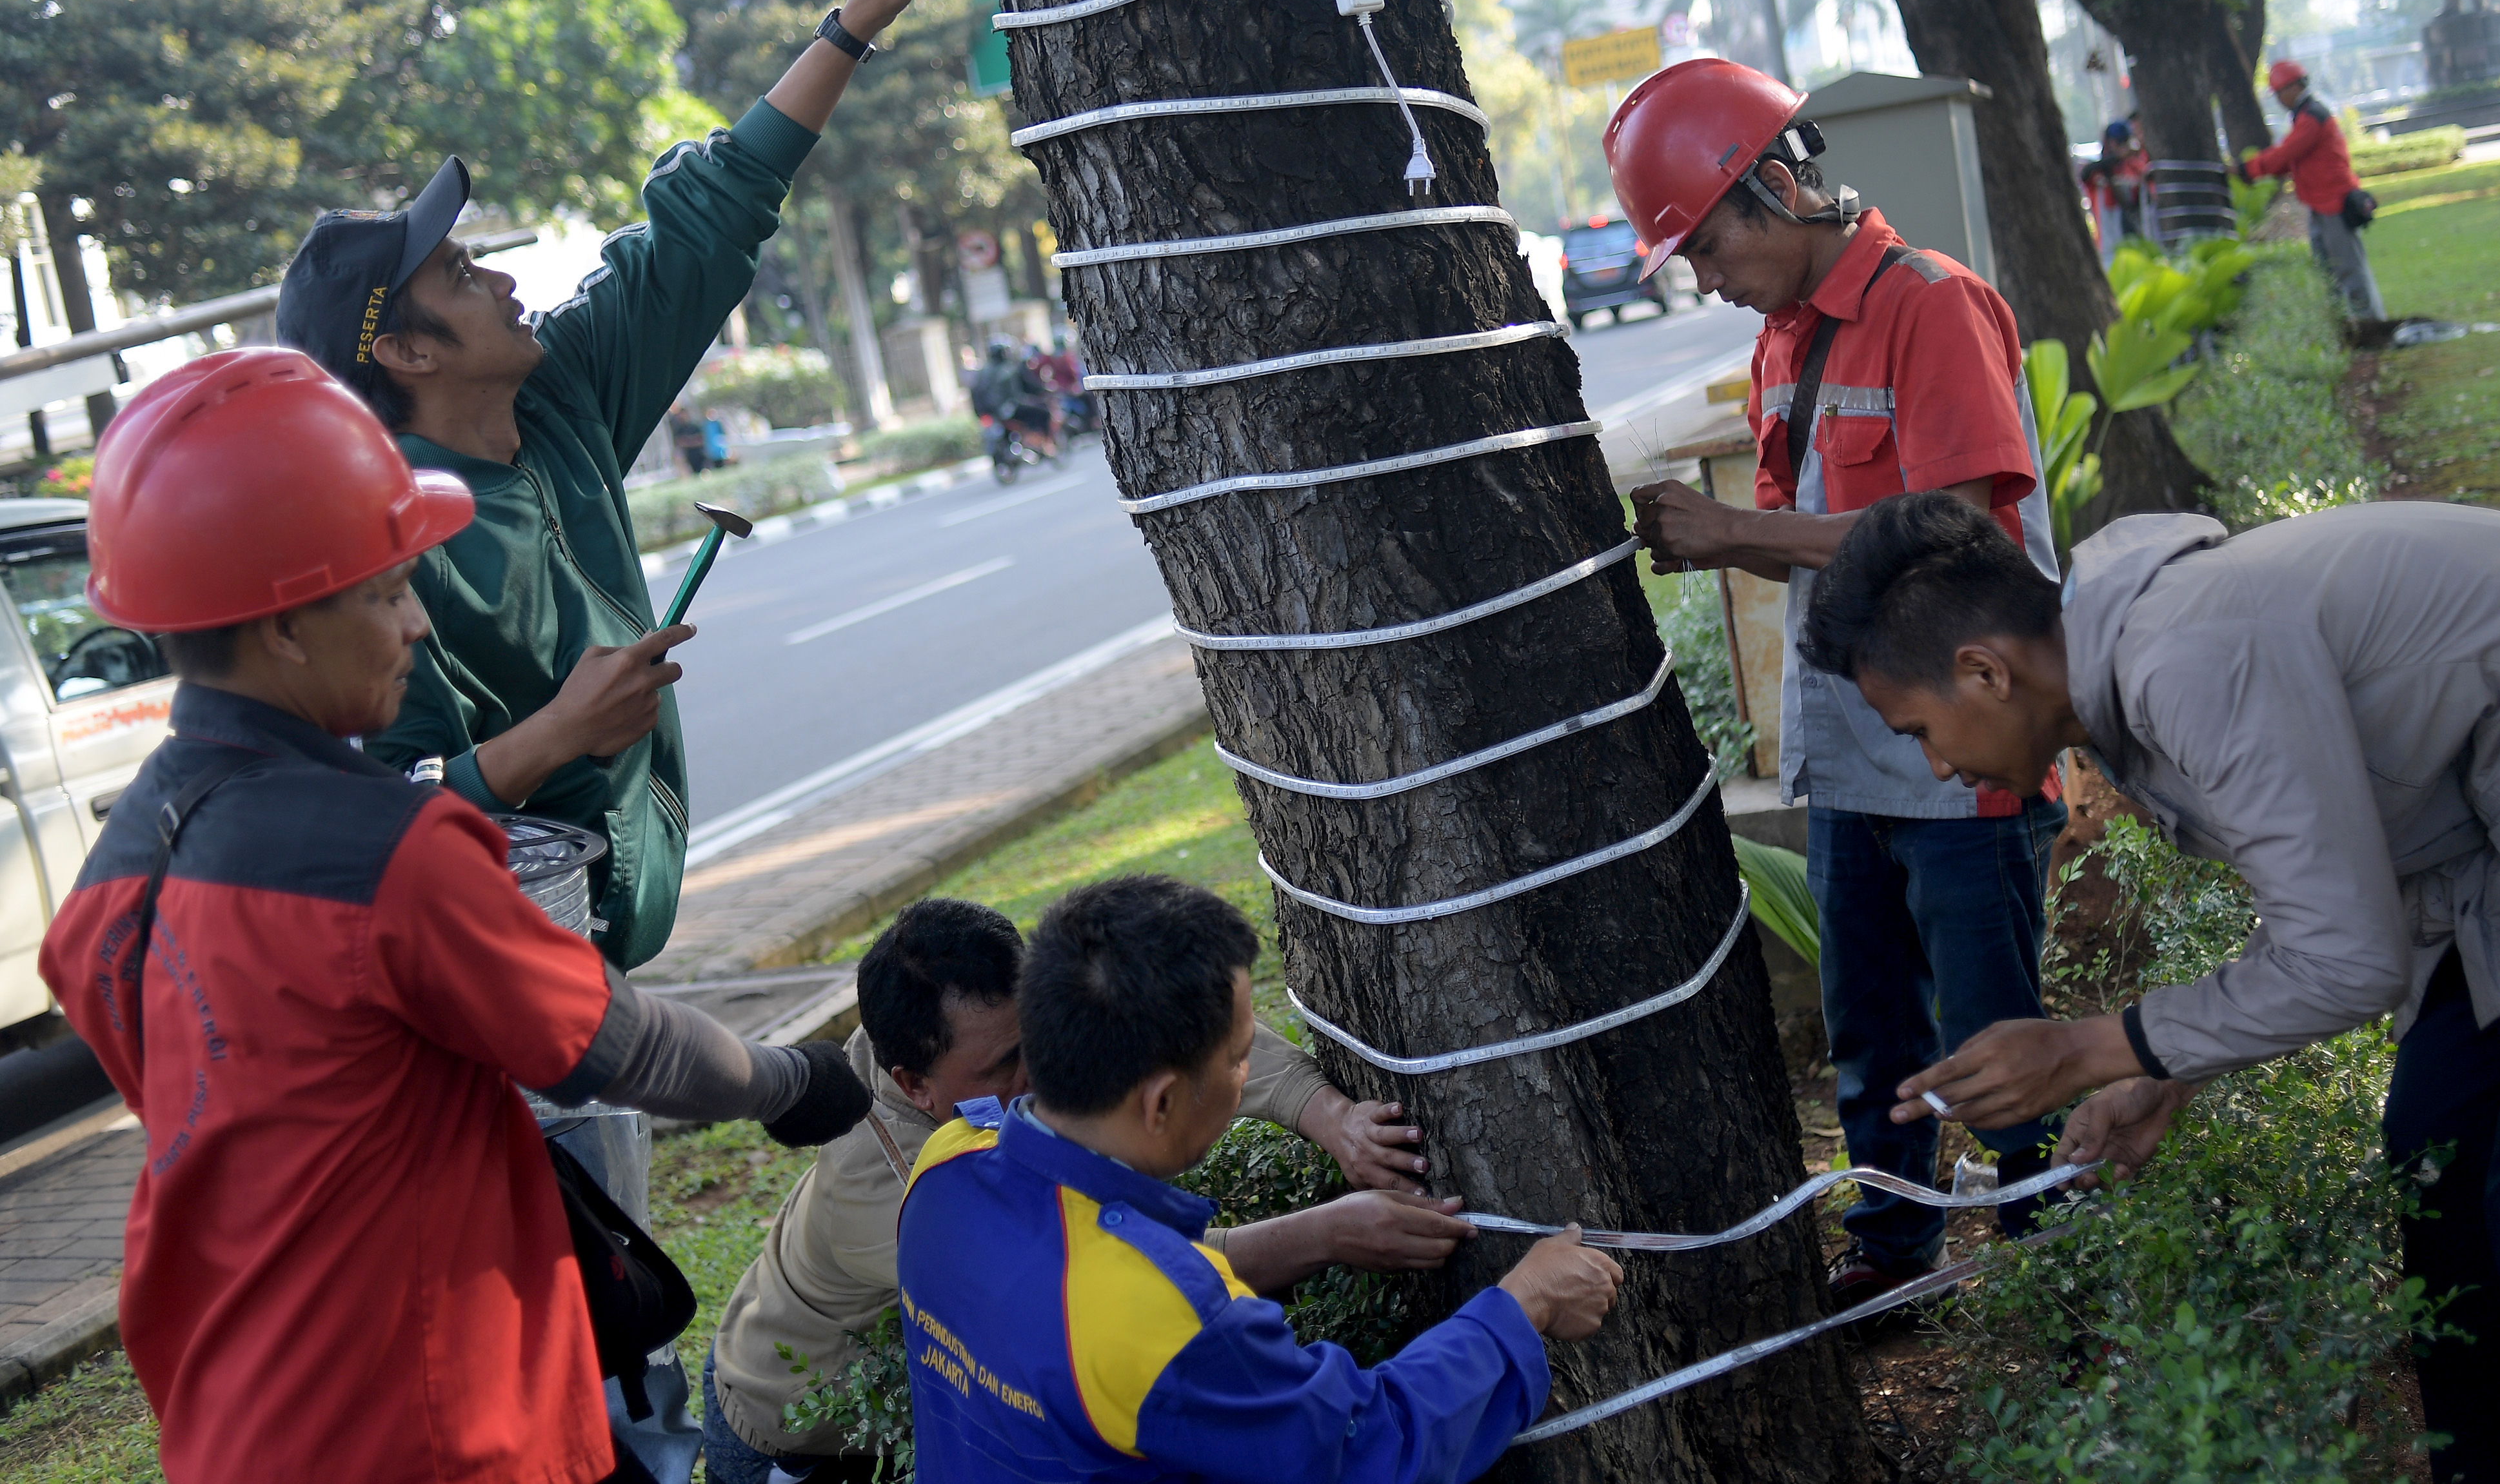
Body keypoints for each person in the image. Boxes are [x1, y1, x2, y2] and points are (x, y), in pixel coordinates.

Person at [39, 349, 872, 1484]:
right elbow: (614, 1045)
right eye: (387, 591)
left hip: (230, 1425)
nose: (416, 627)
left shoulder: (104, 892)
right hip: (435, 1424)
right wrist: (795, 1080)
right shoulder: (388, 854)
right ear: (285, 626)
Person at [1795, 489, 2500, 1484]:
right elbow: (2318, 877)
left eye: (1916, 729)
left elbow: (2349, 956)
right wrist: (2167, 1071)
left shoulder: (2186, 654)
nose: (1939, 765)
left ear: (1984, 670)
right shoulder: (2129, 660)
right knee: (2435, 1147)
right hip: (2498, 820)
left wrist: (2087, 1045)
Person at [277, 0, 946, 972]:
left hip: (608, 946)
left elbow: (708, 219)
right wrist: (558, 735)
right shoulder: (375, 551)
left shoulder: (557, 393)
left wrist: (854, 23)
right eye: (457, 272)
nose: (496, 275)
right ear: (402, 352)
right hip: (497, 977)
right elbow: (393, 812)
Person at [1606, 57, 2068, 1315]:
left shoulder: (1931, 304)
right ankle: (1894, 1246)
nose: (1705, 276)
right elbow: (1814, 530)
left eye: (1706, 245)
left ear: (1773, 187)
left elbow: (1955, 530)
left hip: (1967, 744)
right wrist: (1730, 532)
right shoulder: (1778, 345)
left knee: (1991, 1022)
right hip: (1854, 751)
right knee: (1870, 1025)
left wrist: (1733, 535)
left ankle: (2057, 1256)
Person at [700, 897, 1461, 1483]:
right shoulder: (889, 1189)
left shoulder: (962, 1037)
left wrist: (1335, 1120)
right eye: (1004, 1067)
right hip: (786, 1427)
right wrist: (1327, 1234)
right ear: (913, 1084)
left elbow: (1182, 1023)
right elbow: (1108, 1281)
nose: (1040, 1078)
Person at [895, 876, 1623, 1481]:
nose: (1246, 1076)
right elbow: (1363, 1450)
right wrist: (1521, 1308)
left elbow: (1076, 1287)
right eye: (1239, 1060)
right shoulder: (1163, 1329)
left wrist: (1327, 1231)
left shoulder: (944, 1170)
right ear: (1161, 1102)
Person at [2237, 59, 2384, 321]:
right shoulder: (2306, 115)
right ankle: (2349, 324)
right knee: (2328, 270)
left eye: (2280, 92)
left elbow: (2286, 154)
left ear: (2293, 88)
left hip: (2333, 203)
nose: (2279, 99)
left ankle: (2370, 324)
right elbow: (2290, 158)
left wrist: (2248, 170)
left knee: (2349, 269)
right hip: (2320, 204)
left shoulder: (2311, 117)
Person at [2078, 119, 2150, 264]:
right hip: (2107, 246)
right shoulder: (2096, 173)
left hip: (2131, 240)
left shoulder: (2131, 166)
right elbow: (2085, 174)